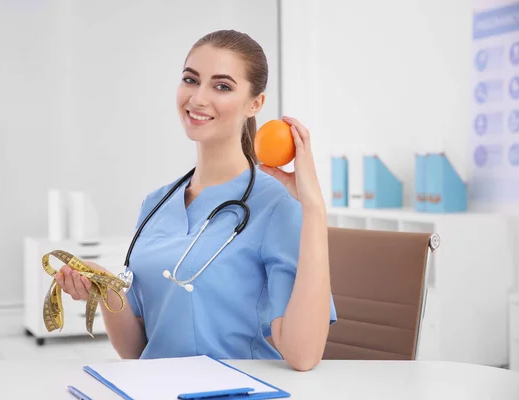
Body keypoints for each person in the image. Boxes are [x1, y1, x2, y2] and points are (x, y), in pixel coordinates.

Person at [55, 29, 337, 372]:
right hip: (158, 390)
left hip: (239, 391)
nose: (199, 98)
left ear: (255, 103)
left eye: (222, 86)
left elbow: (303, 355)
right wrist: (103, 283)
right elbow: (137, 350)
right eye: (191, 80)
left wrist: (314, 209)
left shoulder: (278, 205)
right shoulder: (156, 203)